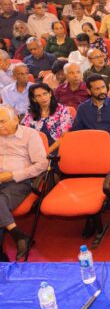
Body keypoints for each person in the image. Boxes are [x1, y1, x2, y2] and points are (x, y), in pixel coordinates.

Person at [0, 105, 47, 261]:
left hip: (18, 181)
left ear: (15, 120)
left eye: (3, 121)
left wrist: (11, 175)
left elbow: (41, 165)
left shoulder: (30, 135)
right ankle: (18, 236)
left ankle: (7, 248)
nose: (0, 126)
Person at [22, 83, 73, 154]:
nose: (43, 98)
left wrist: (47, 151)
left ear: (50, 94)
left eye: (45, 93)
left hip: (57, 148)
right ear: (34, 99)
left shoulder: (62, 110)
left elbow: (65, 136)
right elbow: (25, 133)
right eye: (38, 96)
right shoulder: (30, 112)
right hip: (35, 148)